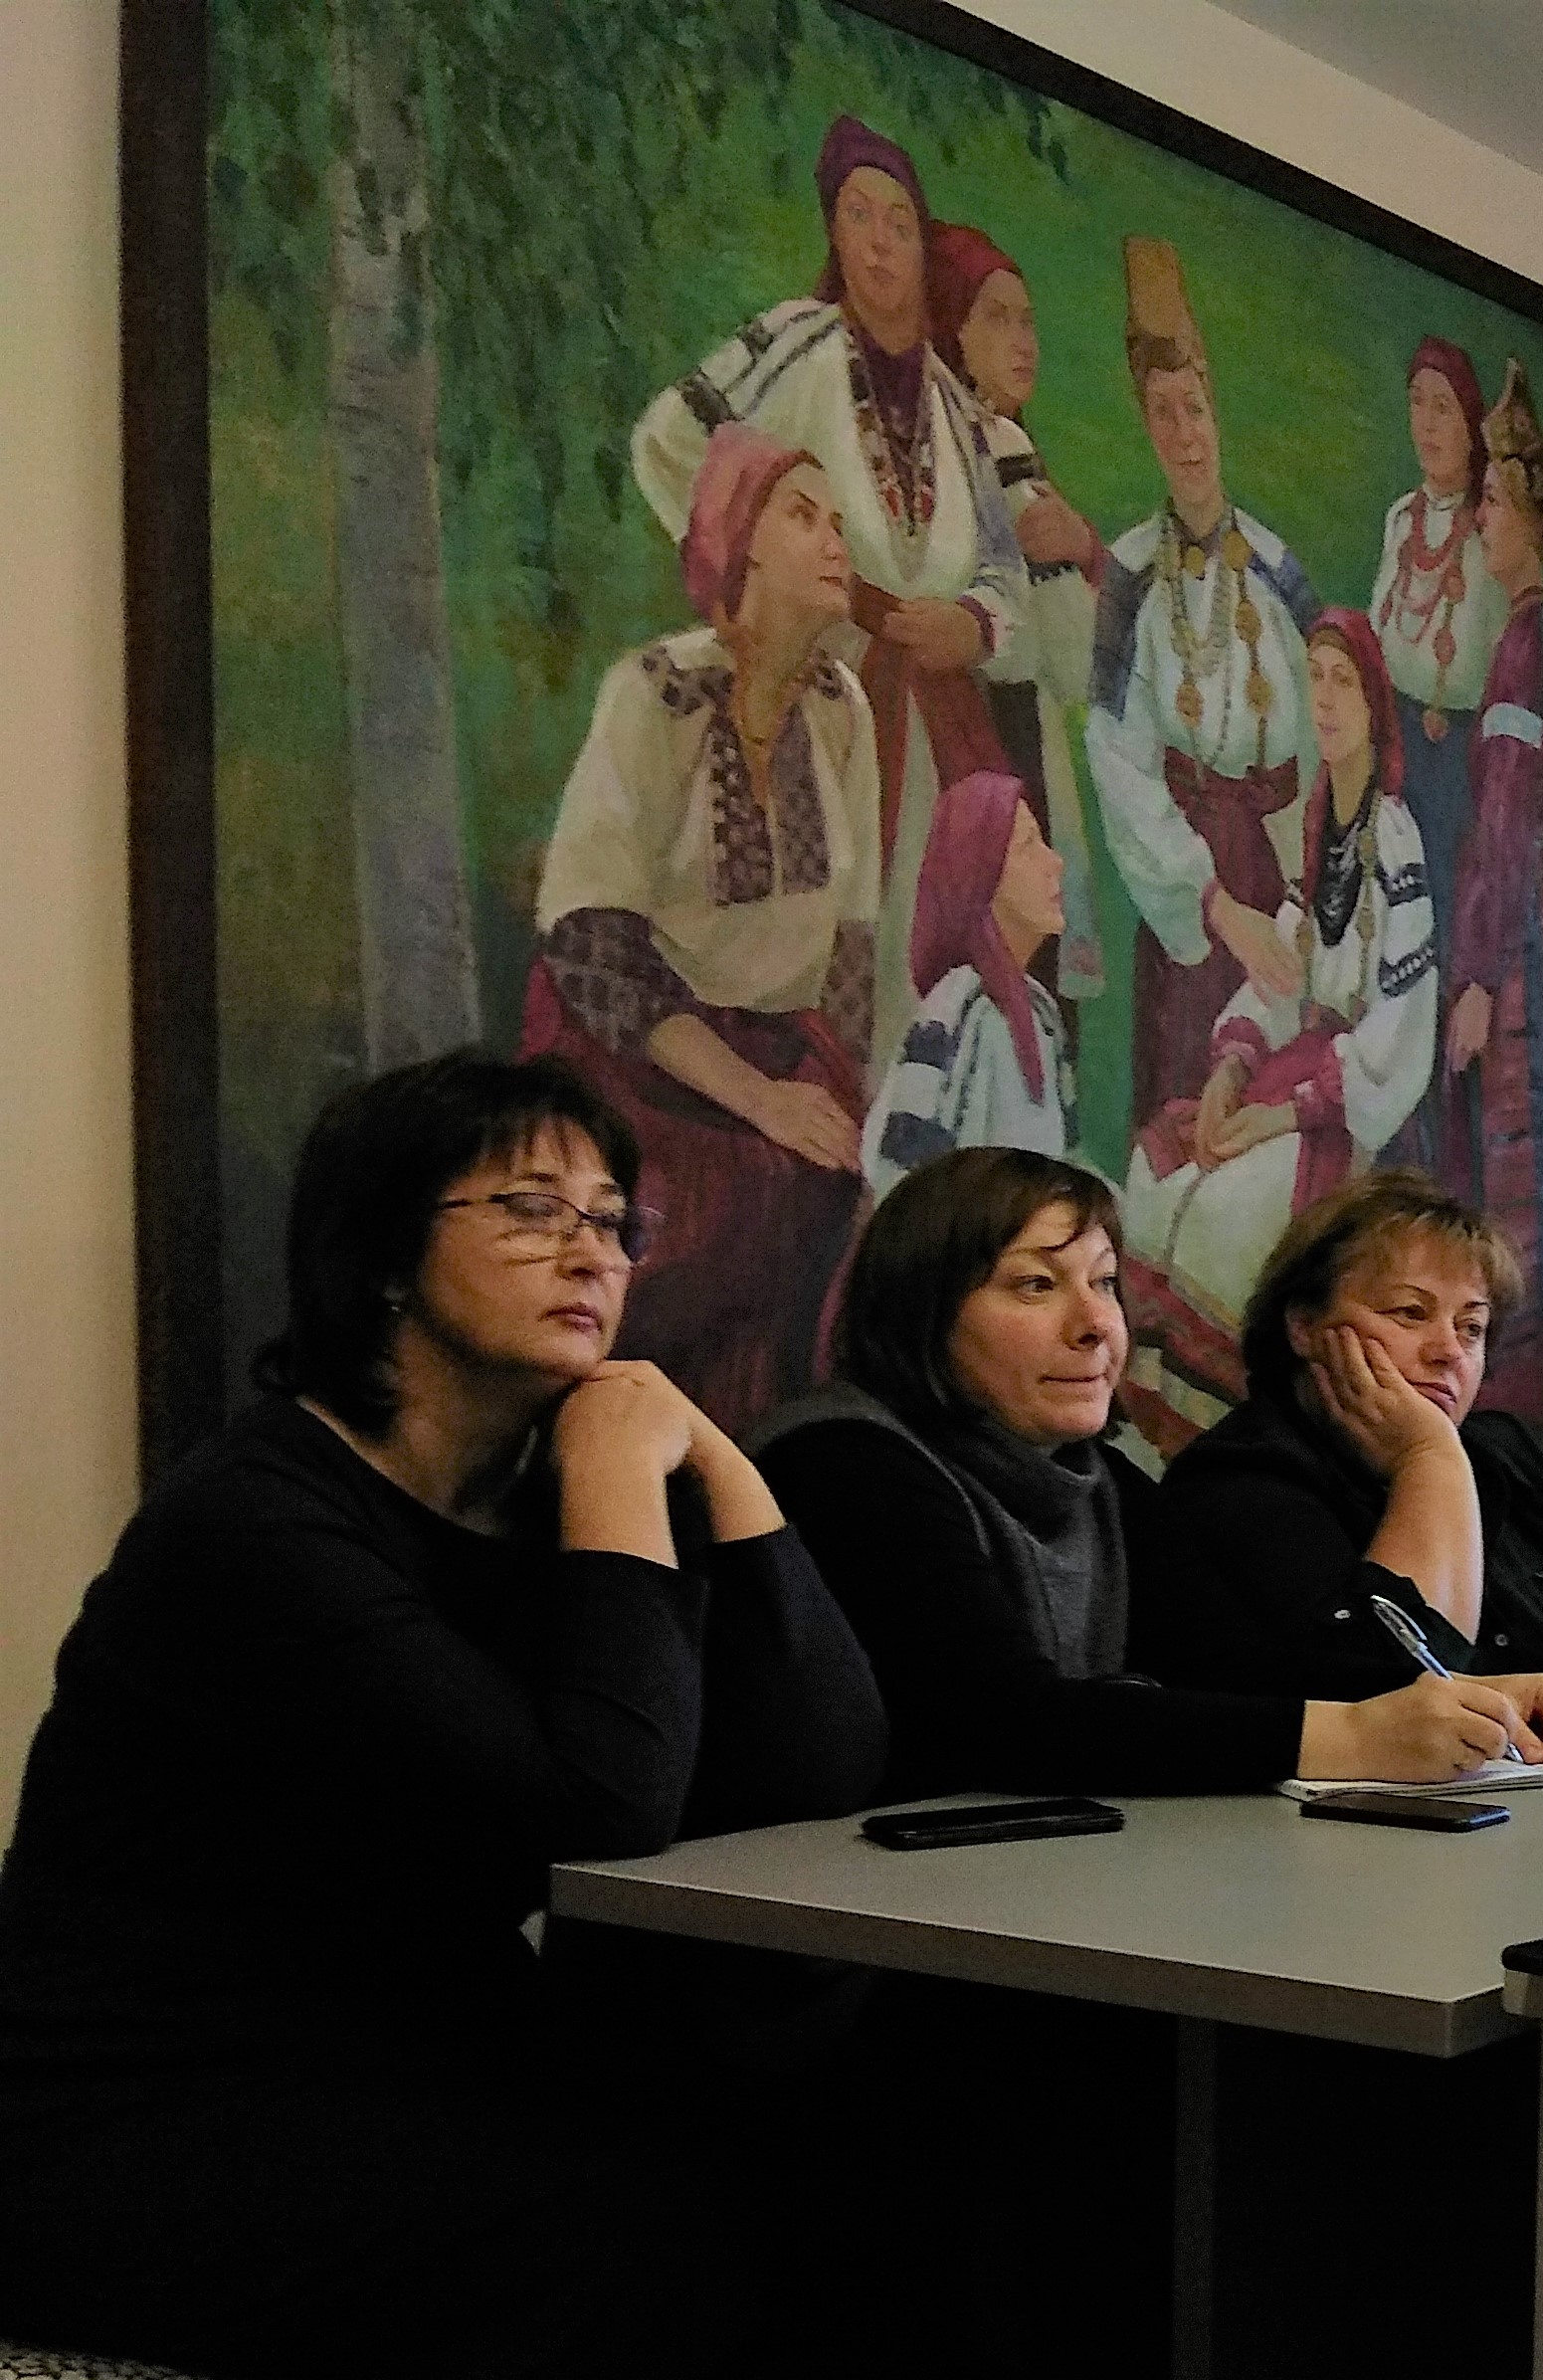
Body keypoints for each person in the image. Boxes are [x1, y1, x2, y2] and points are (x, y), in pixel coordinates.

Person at [0, 1054, 883, 2380]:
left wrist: (719, 1462)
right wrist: (620, 1484)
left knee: (834, 2138)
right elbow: (594, 1812)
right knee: (639, 2226)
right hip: (134, 2119)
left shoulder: (543, 1494)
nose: (591, 1251)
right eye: (531, 1207)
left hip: (380, 2061)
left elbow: (827, 1761)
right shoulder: (258, 1521)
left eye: (613, 1220)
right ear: (383, 1258)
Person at [757, 1147, 1543, 1807]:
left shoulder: (1098, 1478)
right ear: (924, 1308)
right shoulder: (844, 1460)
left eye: (1104, 1283)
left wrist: (1471, 1698)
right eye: (1037, 1284)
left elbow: (1233, 1664)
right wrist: (1356, 1735)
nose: (1096, 1325)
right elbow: (1005, 1721)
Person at [631, 115, 1020, 1063]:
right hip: (816, 700)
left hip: (935, 725)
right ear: (833, 233)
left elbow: (1004, 571)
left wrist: (970, 625)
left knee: (928, 956)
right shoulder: (794, 344)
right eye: (859, 216)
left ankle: (916, 1128)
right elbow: (668, 442)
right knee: (822, 937)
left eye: (901, 224)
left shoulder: (954, 406)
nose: (881, 244)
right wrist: (753, 591)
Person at [526, 424, 879, 1434]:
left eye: (839, 522)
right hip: (636, 1060)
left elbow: (853, 941)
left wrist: (835, 1090)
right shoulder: (655, 693)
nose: (835, 542)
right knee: (686, 1226)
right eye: (803, 517)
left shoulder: (841, 706)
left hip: (781, 1046)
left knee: (832, 1212)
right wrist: (759, 1098)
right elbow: (593, 944)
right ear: (740, 543)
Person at [1154, 1170, 1543, 1713]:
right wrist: (1427, 1458)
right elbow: (1397, 1681)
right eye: (1411, 1313)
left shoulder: (1499, 1449)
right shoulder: (1238, 1479)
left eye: (1471, 1328)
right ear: (1303, 1326)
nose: (1449, 1351)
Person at [1116, 610, 1443, 1398]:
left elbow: (1401, 1024)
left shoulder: (1394, 838)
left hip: (1350, 1105)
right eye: (1314, 680)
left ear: (1373, 705)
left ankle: (1223, 1409)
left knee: (1224, 1214)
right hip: (1291, 1072)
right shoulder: (1319, 826)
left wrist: (1286, 1113)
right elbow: (1286, 970)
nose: (1324, 701)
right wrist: (1232, 1067)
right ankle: (1159, 1414)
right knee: (1159, 1171)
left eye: (1343, 682)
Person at [1087, 236, 1321, 1143]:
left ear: (1216, 412)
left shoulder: (1275, 568)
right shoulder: (1128, 577)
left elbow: (1324, 738)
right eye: (1162, 414)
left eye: (1194, 409)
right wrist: (1217, 905)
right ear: (1145, 427)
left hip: (1280, 875)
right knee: (1187, 1118)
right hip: (1191, 892)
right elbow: (1117, 760)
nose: (1184, 435)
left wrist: (1300, 898)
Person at [1443, 361, 1543, 1423]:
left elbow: (1503, 815)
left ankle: (1514, 1389)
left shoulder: (1527, 642)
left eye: (1491, 502)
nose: (1479, 520)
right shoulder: (1522, 636)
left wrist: (1479, 974)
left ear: (1528, 524)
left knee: (1515, 1146)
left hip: (1518, 937)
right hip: (1527, 918)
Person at [926, 218, 1110, 1008]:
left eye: (1027, 320)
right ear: (953, 332)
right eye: (996, 318)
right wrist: (1080, 556)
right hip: (995, 739)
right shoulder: (995, 445)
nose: (1022, 340)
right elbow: (1076, 661)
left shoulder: (976, 445)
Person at [864, 769, 1074, 1193]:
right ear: (982, 877)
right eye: (1028, 846)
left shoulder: (1039, 1011)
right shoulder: (966, 1012)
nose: (1055, 863)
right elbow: (906, 1178)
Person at [1365, 336, 1507, 906]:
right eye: (1417, 402)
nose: (1425, 423)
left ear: (1471, 426)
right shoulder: (1400, 520)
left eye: (1443, 407)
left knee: (1442, 911)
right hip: (1389, 746)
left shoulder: (1490, 537)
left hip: (1455, 764)